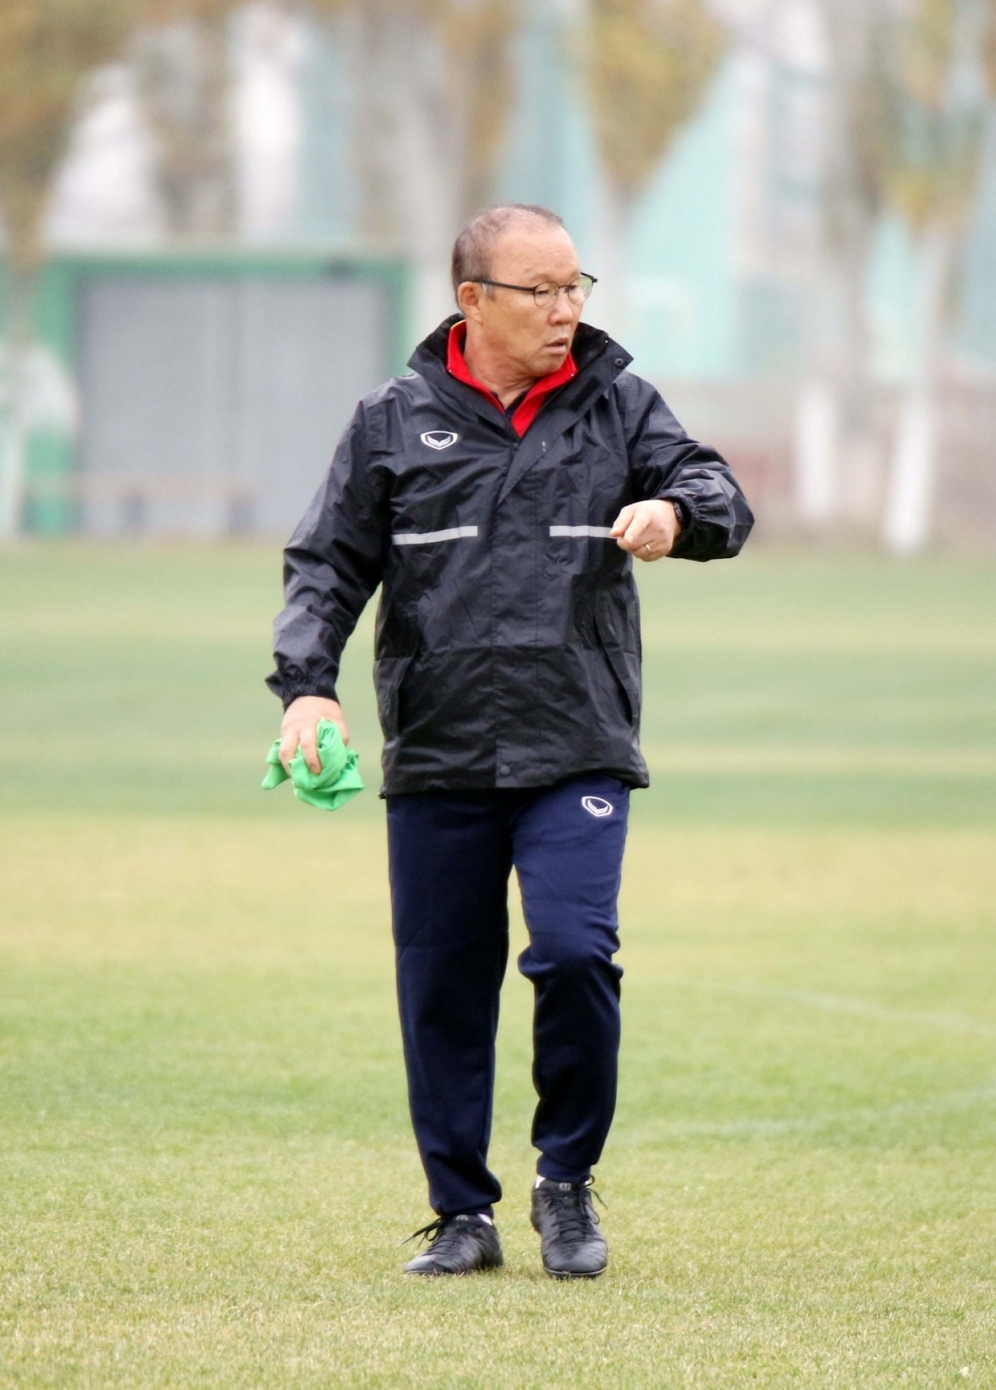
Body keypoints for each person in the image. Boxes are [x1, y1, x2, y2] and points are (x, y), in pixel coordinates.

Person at [268, 204, 753, 1278]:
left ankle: (565, 1184)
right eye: (544, 291)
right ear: (473, 301)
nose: (568, 310)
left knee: (576, 952)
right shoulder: (391, 419)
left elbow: (720, 492)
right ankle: (461, 1212)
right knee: (444, 983)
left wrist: (676, 515)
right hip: (439, 749)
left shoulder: (618, 403)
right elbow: (325, 566)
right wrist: (307, 690)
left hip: (576, 740)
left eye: (579, 287)